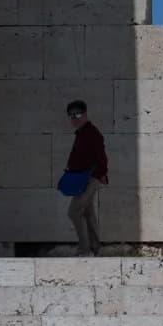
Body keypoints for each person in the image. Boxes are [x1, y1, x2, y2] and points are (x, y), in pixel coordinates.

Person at [63, 100, 108, 257]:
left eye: (77, 114)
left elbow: (102, 158)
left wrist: (99, 174)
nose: (74, 118)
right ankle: (95, 248)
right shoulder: (82, 132)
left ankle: (84, 249)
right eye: (71, 116)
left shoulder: (92, 133)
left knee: (74, 212)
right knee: (88, 213)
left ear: (85, 114)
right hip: (82, 179)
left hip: (89, 178)